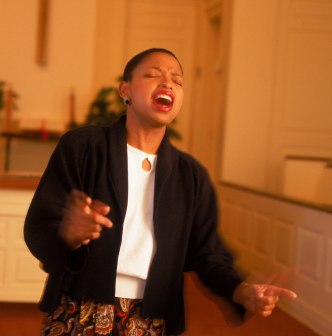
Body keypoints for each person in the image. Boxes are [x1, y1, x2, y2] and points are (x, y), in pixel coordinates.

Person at [24, 48, 297, 336]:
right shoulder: (83, 147)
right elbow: (39, 224)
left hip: (152, 316)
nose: (168, 83)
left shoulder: (190, 175)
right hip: (80, 304)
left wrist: (241, 291)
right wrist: (69, 234)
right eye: (153, 75)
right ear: (125, 89)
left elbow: (208, 254)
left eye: (177, 81)